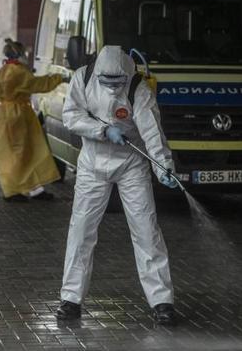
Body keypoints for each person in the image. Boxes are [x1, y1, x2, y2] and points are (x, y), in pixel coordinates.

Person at [55, 45, 179, 326]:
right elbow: (71, 116)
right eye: (107, 82)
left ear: (127, 74)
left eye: (117, 83)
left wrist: (163, 167)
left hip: (131, 165)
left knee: (146, 230)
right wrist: (102, 130)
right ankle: (71, 300)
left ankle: (162, 301)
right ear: (97, 73)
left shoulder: (138, 87)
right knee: (81, 232)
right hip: (92, 165)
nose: (113, 89)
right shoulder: (83, 78)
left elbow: (152, 132)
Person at [0, 38, 66, 202]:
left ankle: (32, 189)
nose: (27, 56)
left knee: (19, 154)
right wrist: (58, 78)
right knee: (24, 154)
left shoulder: (5, 70)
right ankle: (15, 190)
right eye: (24, 53)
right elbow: (38, 84)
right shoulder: (17, 72)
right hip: (18, 116)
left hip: (8, 115)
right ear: (18, 54)